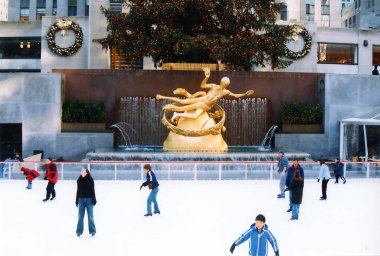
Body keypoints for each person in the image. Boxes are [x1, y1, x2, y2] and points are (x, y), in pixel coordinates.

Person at [156, 67, 254, 122]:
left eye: (226, 84)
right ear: (221, 82)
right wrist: (206, 77)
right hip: (202, 100)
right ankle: (162, 97)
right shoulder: (214, 86)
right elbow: (202, 85)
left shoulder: (225, 92)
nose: (224, 85)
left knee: (194, 116)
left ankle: (178, 114)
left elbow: (235, 96)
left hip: (205, 106)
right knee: (182, 101)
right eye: (223, 83)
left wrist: (244, 94)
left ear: (227, 85)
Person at [76, 168, 97, 237]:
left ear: (86, 173)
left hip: (89, 200)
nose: (81, 171)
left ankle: (92, 231)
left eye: (83, 170)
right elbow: (78, 191)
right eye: (81, 170)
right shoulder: (79, 180)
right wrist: (76, 200)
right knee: (80, 217)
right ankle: (79, 231)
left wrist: (94, 199)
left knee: (90, 216)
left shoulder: (91, 180)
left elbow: (92, 190)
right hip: (81, 200)